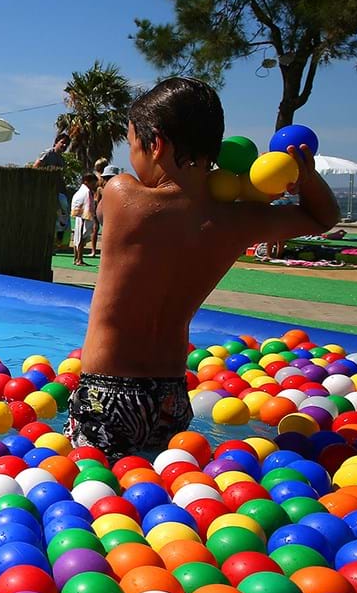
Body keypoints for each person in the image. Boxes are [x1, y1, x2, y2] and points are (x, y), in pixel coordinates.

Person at [68, 76, 337, 459]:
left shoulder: (121, 194)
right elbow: (321, 218)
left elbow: (125, 200)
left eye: (132, 145)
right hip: (172, 396)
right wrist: (302, 178)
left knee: (96, 498)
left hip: (107, 392)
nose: (130, 159)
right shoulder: (238, 220)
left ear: (156, 144)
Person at [70, 173, 98, 266]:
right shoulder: (87, 192)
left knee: (77, 237)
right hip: (83, 217)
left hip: (79, 215)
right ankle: (79, 259)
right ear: (87, 182)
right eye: (93, 183)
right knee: (81, 237)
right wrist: (91, 216)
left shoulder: (80, 191)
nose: (94, 186)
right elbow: (89, 205)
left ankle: (75, 259)